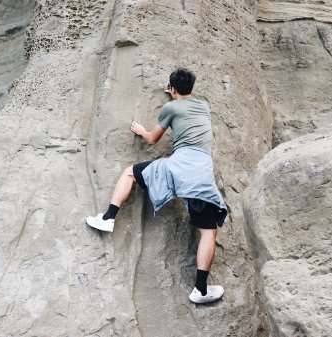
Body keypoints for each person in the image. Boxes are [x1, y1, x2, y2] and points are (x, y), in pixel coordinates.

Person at [86, 68, 228, 304]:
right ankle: (200, 290)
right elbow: (185, 103)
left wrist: (141, 130)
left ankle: (108, 218)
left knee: (130, 173)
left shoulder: (170, 107)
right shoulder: (203, 107)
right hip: (201, 175)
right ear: (191, 88)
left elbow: (153, 139)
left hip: (178, 167)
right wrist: (176, 93)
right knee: (209, 232)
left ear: (172, 89)